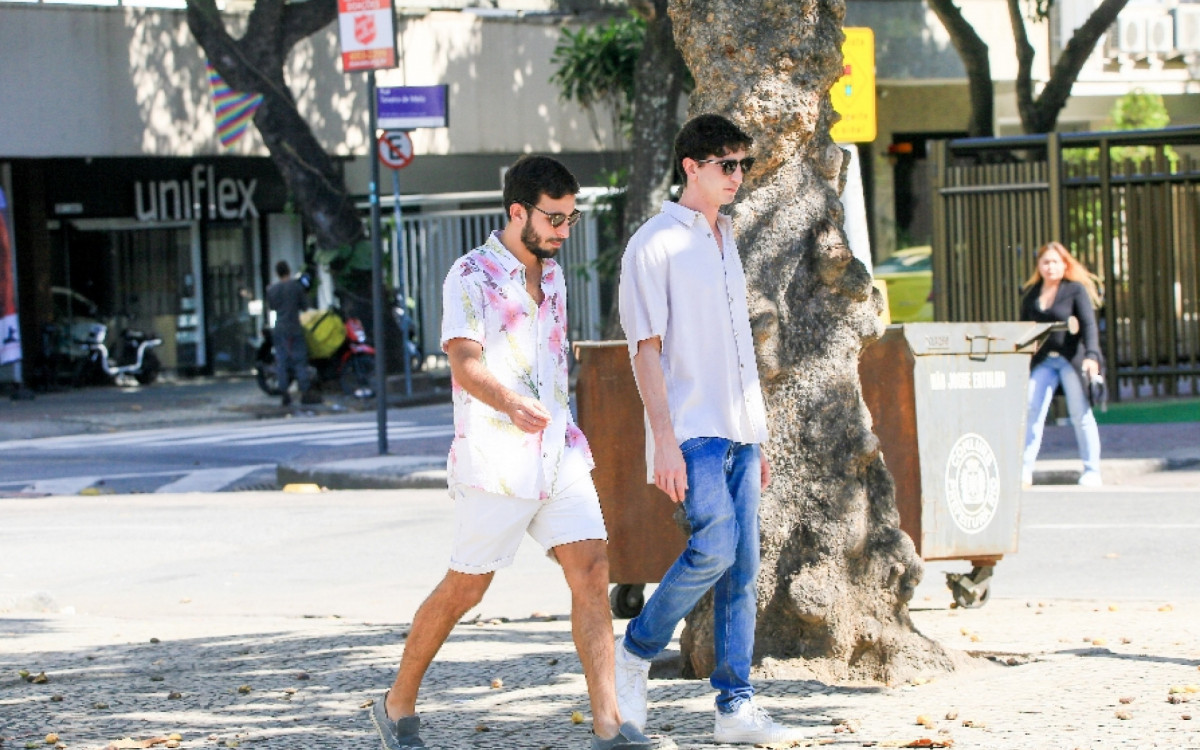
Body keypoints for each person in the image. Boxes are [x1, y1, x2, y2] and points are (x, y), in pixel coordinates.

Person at [371, 155, 659, 750]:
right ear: (517, 211)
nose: (563, 231)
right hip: (497, 460)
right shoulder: (469, 274)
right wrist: (509, 401)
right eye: (554, 218)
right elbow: (464, 363)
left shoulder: (552, 276)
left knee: (593, 571)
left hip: (558, 452)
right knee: (466, 589)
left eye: (571, 219)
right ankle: (396, 702)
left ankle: (608, 724)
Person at [615, 114, 807, 745]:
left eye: (743, 164)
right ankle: (635, 650)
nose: (738, 176)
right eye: (726, 164)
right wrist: (663, 442)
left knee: (743, 569)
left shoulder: (727, 237)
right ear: (690, 167)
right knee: (716, 548)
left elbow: (739, 349)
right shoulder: (653, 244)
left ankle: (735, 708)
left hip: (739, 430)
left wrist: (758, 434)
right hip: (691, 430)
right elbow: (645, 351)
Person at [1020, 241, 1104, 487]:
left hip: (1070, 359)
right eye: (1045, 262)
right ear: (1039, 265)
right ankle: (1024, 470)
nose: (1050, 267)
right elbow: (1024, 330)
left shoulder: (1074, 290)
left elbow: (1088, 325)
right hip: (1044, 361)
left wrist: (1092, 355)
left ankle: (1092, 469)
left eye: (1055, 262)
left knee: (1080, 413)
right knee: (1032, 409)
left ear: (1065, 264)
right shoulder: (1032, 294)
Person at [265, 260, 319, 406]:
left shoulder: (272, 289)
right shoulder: (296, 287)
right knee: (300, 360)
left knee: (282, 361)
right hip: (294, 327)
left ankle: (284, 393)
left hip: (280, 328)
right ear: (288, 270)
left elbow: (272, 307)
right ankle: (305, 392)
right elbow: (304, 307)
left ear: (277, 273)